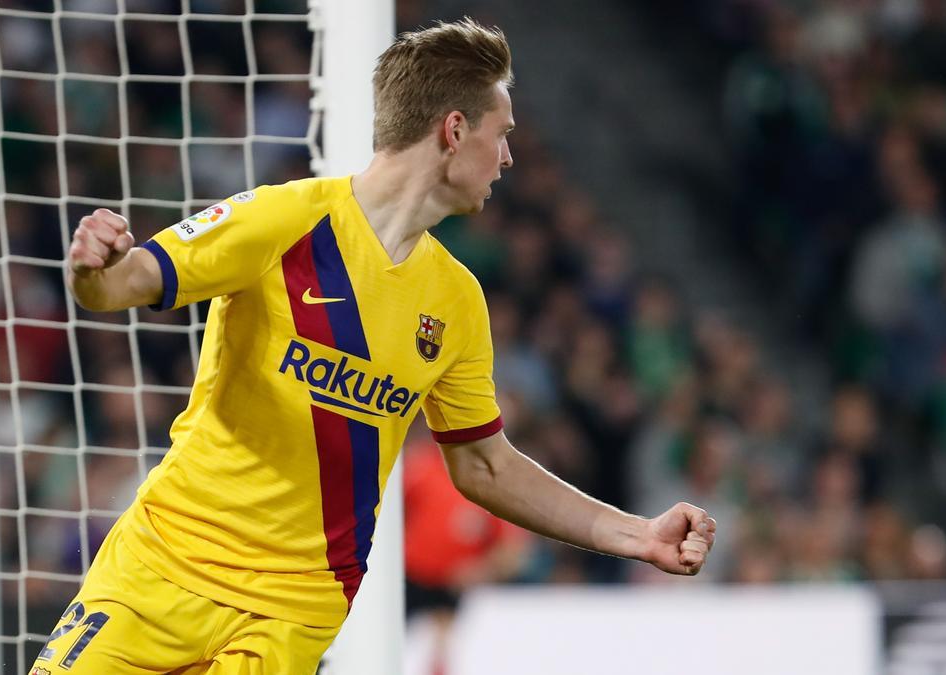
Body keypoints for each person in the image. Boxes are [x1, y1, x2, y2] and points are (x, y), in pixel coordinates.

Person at [35, 18, 717, 675]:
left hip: (292, 606)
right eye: (501, 133)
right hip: (167, 563)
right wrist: (95, 266)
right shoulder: (285, 219)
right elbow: (129, 281)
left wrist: (635, 534)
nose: (509, 156)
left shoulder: (455, 301)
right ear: (454, 130)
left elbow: (484, 465)